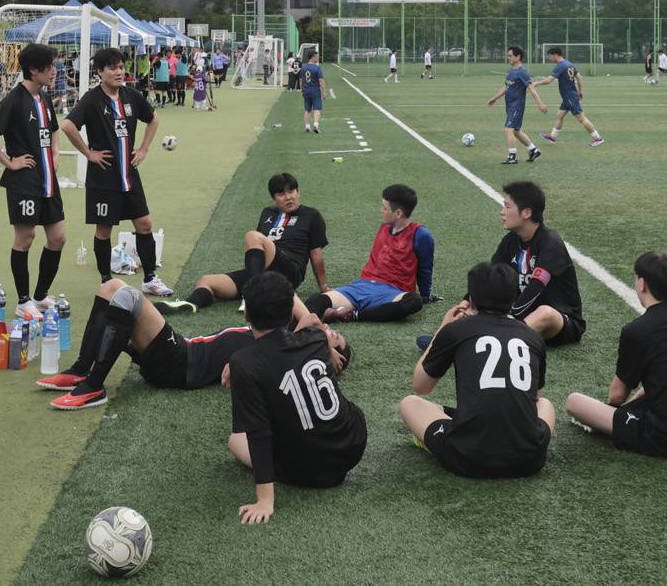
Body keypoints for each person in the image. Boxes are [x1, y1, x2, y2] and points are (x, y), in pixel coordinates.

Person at [39, 276, 341, 409]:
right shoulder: (279, 333)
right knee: (110, 288)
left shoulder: (293, 347)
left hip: (182, 361)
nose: (331, 330)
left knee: (126, 296)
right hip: (179, 356)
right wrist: (328, 340)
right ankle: (81, 369)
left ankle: (94, 386)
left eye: (337, 336)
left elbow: (312, 321)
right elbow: (301, 309)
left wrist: (327, 345)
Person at [224, 272, 368, 523]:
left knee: (235, 440)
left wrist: (265, 500)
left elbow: (258, 434)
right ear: (290, 315)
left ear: (246, 315)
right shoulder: (313, 336)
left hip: (308, 471)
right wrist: (327, 347)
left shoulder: (244, 363)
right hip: (352, 446)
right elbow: (312, 319)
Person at [565, 251, 667, 458]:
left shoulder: (638, 330)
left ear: (642, 284)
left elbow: (617, 395)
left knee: (574, 402)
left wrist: (612, 413)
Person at [401, 261, 555, 478]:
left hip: (467, 459)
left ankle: (449, 428)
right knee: (545, 403)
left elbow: (421, 386)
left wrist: (443, 327)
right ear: (513, 300)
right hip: (529, 460)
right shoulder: (533, 337)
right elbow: (534, 398)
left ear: (471, 300)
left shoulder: (456, 330)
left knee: (410, 403)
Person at [62, 47, 169, 294]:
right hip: (103, 177)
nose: (119, 72)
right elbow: (68, 126)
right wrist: (89, 153)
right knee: (103, 230)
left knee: (144, 224)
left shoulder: (131, 95)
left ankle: (150, 279)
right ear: (100, 72)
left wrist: (143, 149)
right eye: (113, 68)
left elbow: (153, 118)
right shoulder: (91, 99)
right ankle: (106, 280)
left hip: (130, 175)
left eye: (121, 67)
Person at [0, 41, 68, 317]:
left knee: (59, 238)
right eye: (49, 67)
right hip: (24, 182)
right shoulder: (15, 99)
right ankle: (23, 301)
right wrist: (9, 162)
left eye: (54, 66)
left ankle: (40, 296)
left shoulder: (43, 97)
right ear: (33, 69)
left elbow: (53, 129)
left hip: (48, 181)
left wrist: (55, 153)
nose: (54, 71)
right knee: (26, 238)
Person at [165, 172, 328, 312]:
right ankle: (190, 304)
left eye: (291, 191)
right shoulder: (267, 213)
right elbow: (258, 251)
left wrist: (324, 287)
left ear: (298, 192)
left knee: (252, 236)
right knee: (205, 281)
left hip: (289, 272)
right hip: (260, 274)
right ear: (273, 199)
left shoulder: (311, 215)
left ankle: (250, 298)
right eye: (281, 194)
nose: (288, 197)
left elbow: (316, 253)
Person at [305, 184, 432, 324]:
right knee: (318, 300)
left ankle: (351, 316)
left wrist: (425, 295)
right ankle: (291, 328)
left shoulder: (421, 235)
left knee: (413, 302)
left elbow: (425, 269)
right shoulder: (384, 226)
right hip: (362, 286)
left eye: (385, 207)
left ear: (398, 213)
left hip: (393, 292)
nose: (381, 210)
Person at [487, 179, 584, 346]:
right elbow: (490, 276)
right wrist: (470, 303)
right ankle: (442, 341)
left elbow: (537, 285)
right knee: (477, 306)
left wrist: (512, 314)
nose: (502, 212)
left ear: (526, 213)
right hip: (524, 313)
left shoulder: (550, 242)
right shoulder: (510, 240)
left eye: (507, 207)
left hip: (562, 320)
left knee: (544, 313)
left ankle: (500, 344)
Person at [486, 44, 546, 164]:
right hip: (510, 105)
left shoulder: (522, 72)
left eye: (510, 56)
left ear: (518, 57)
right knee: (516, 132)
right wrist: (495, 98)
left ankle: (512, 157)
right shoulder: (511, 71)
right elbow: (506, 86)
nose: (508, 58)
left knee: (508, 129)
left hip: (517, 106)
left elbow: (531, 88)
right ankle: (533, 150)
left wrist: (540, 104)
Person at [536, 46, 604, 147]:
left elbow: (548, 80)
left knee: (581, 118)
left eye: (551, 56)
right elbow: (579, 77)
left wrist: (535, 83)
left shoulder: (560, 66)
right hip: (569, 96)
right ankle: (553, 136)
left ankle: (598, 138)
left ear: (556, 55)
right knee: (560, 115)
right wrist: (580, 91)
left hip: (569, 97)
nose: (550, 59)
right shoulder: (569, 64)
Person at [298, 48, 329, 134]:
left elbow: (301, 81)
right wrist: (324, 91)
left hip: (307, 90)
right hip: (315, 90)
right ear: (312, 57)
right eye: (317, 56)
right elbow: (321, 80)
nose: (318, 58)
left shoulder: (303, 68)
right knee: (316, 108)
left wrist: (302, 90)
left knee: (307, 109)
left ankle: (307, 127)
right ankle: (315, 125)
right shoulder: (317, 68)